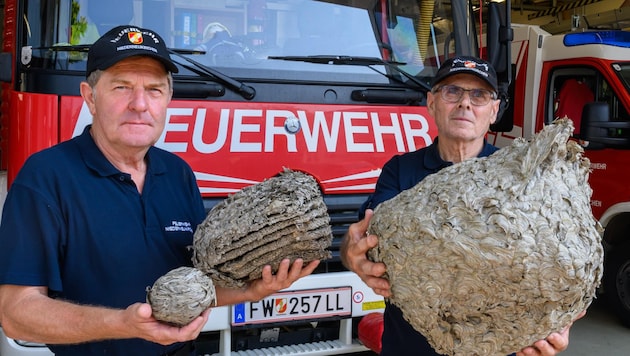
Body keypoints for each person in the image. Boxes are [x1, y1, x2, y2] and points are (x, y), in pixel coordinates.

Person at [0, 25, 319, 356]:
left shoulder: (177, 174)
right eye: (121, 87)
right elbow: (16, 313)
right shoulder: (45, 177)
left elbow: (198, 285)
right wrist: (122, 323)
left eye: (153, 90)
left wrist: (252, 290)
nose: (139, 104)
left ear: (168, 99)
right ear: (89, 97)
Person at [341, 55, 584, 356]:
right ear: (432, 103)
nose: (465, 104)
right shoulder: (400, 170)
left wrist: (560, 314)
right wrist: (351, 257)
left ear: (494, 110)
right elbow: (363, 238)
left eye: (479, 95)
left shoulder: (521, 175)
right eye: (452, 91)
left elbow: (558, 256)